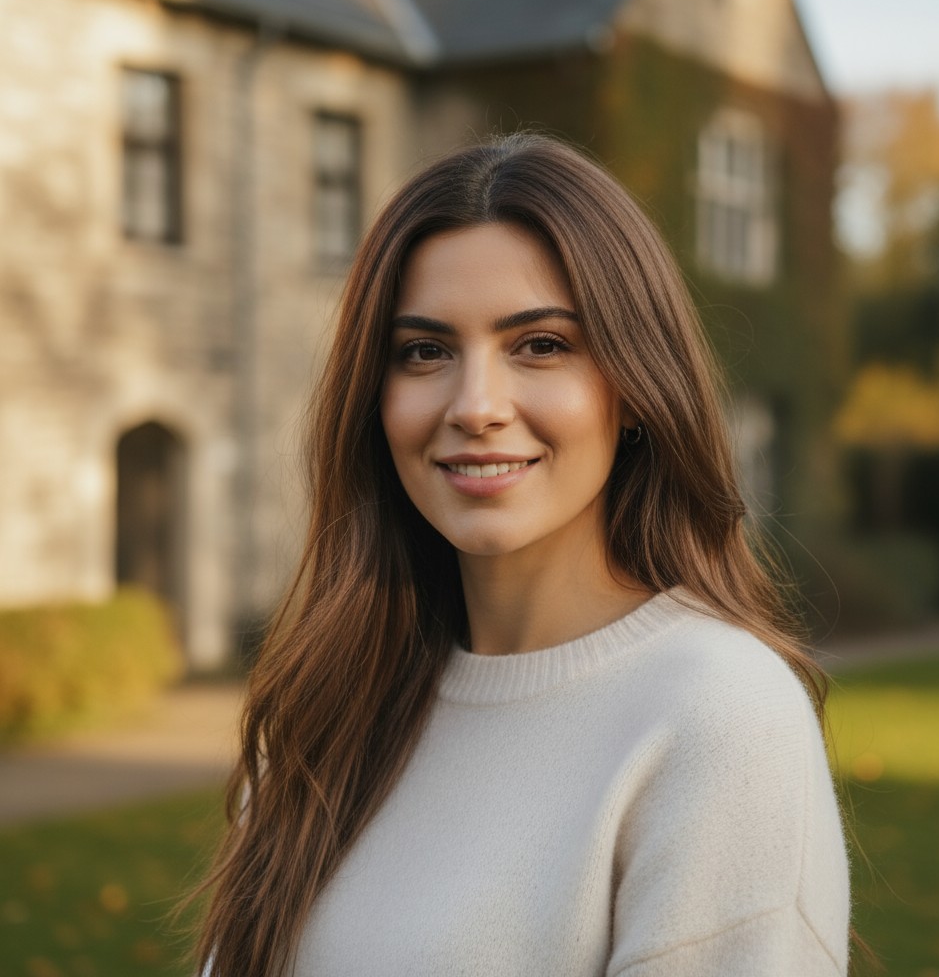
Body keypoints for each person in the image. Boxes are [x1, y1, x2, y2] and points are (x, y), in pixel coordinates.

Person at [194, 133, 850, 976]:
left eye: (540, 345)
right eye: (424, 351)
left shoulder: (716, 715)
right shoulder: (330, 706)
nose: (476, 406)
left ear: (635, 386)